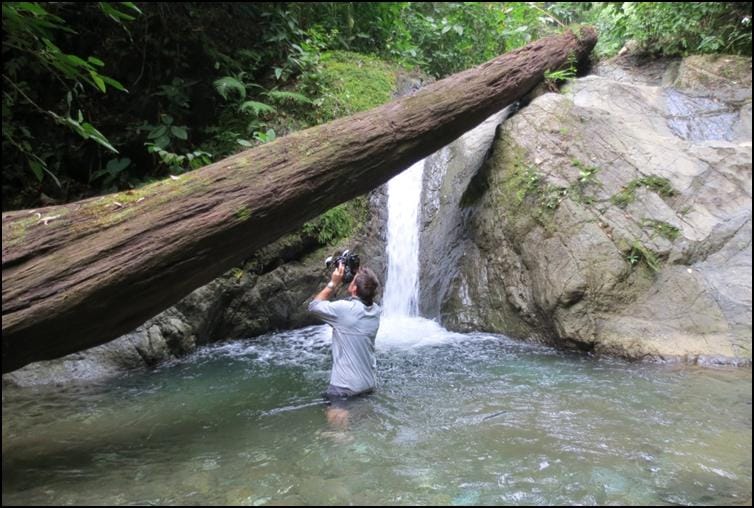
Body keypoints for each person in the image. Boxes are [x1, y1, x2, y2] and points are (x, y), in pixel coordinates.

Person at [308, 262, 381, 427]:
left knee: (338, 436)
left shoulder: (344, 310)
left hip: (344, 388)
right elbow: (366, 288)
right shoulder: (376, 311)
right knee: (360, 431)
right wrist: (359, 274)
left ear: (354, 289)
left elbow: (313, 307)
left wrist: (333, 282)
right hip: (367, 385)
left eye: (353, 280)